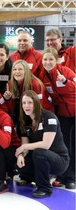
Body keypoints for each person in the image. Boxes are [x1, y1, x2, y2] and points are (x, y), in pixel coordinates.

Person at [15, 90, 69, 198]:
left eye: (30, 102)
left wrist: (23, 147)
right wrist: (20, 155)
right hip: (41, 158)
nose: (26, 106)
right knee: (18, 156)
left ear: (36, 103)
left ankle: (45, 188)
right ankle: (30, 177)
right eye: (24, 103)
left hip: (59, 160)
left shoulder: (49, 117)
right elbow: (24, 146)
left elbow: (46, 145)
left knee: (39, 152)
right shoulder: (25, 121)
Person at [38, 47, 76, 189]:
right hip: (62, 114)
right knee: (64, 146)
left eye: (51, 59)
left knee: (74, 144)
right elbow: (44, 97)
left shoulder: (66, 71)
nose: (48, 62)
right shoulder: (42, 75)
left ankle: (71, 177)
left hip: (74, 110)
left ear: (56, 60)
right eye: (45, 59)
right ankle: (62, 175)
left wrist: (66, 81)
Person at [3, 60, 54, 127]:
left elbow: (38, 106)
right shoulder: (10, 84)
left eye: (20, 69)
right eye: (14, 69)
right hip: (25, 113)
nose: (17, 72)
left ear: (26, 71)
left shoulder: (35, 84)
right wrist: (8, 99)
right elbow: (12, 109)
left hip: (43, 113)